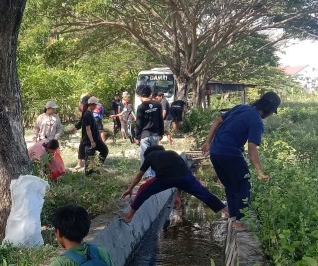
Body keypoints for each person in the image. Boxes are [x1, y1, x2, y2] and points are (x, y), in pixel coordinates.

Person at [201, 92, 280, 231]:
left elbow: (218, 120)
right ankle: (240, 222)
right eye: (272, 112)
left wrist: (207, 142)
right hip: (230, 154)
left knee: (231, 185)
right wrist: (259, 171)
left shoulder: (241, 107)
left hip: (215, 152)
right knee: (243, 186)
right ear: (269, 110)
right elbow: (252, 148)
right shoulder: (256, 121)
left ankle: (233, 217)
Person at [119, 145, 227, 223]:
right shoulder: (172, 153)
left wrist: (130, 188)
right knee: (204, 194)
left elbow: (139, 176)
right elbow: (180, 175)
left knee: (143, 189)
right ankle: (227, 211)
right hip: (186, 178)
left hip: (164, 178)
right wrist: (178, 195)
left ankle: (129, 216)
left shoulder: (149, 156)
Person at [135, 85, 163, 177]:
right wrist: (161, 133)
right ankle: (155, 174)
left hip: (145, 135)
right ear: (149, 93)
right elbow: (160, 119)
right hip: (155, 134)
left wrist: (137, 136)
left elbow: (139, 123)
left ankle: (148, 175)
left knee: (145, 155)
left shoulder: (141, 107)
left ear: (140, 95)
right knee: (155, 154)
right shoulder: (157, 104)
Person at [79, 96, 109, 175]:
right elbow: (88, 129)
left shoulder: (91, 113)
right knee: (89, 157)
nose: (96, 106)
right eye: (95, 105)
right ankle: (88, 175)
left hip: (96, 139)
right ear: (91, 104)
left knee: (104, 150)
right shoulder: (86, 114)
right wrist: (92, 141)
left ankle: (97, 167)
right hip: (89, 141)